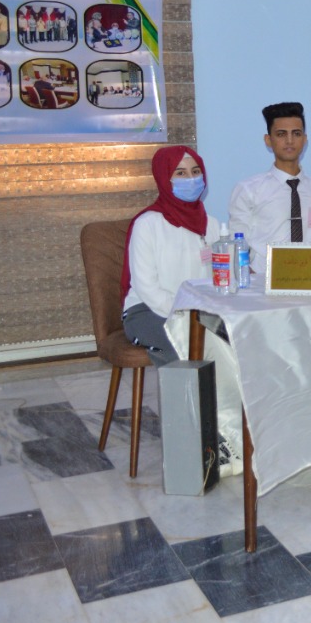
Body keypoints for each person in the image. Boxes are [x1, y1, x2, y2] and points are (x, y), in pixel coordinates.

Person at [121, 145, 245, 475]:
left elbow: (217, 280)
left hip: (196, 312)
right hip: (147, 312)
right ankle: (200, 443)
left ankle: (237, 434)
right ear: (164, 178)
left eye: (195, 172)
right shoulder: (148, 224)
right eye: (180, 173)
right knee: (185, 347)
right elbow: (147, 287)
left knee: (240, 342)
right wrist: (187, 317)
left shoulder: (211, 224)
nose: (190, 179)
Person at [229, 101, 311, 267]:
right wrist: (249, 275)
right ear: (268, 140)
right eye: (281, 134)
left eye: (296, 133)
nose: (290, 140)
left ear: (304, 139)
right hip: (264, 278)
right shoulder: (248, 189)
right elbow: (237, 244)